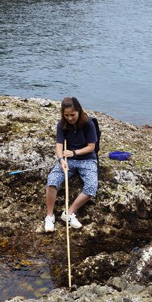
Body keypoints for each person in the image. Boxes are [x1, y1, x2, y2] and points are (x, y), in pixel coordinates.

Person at [44, 97, 98, 233]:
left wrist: (74, 153)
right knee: (52, 181)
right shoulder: (62, 124)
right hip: (67, 159)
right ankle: (49, 216)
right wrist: (61, 160)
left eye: (72, 115)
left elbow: (91, 147)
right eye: (66, 115)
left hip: (87, 159)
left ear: (79, 111)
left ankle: (68, 213)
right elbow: (59, 146)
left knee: (91, 186)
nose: (69, 118)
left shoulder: (89, 123)